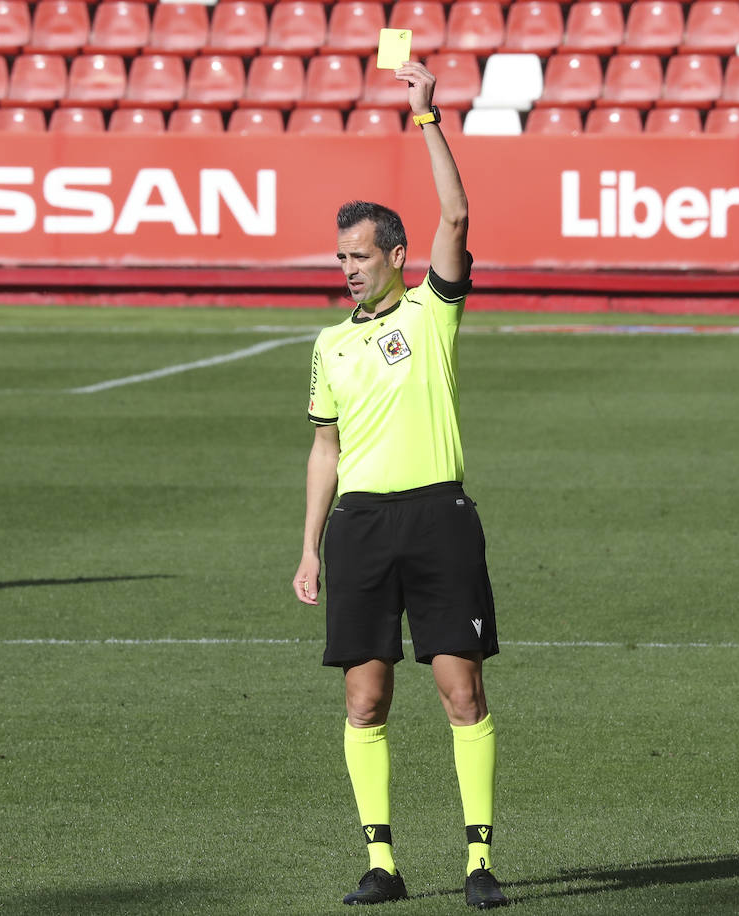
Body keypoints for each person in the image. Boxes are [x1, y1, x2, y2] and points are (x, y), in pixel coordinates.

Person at [292, 61, 508, 910]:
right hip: (360, 528)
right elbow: (323, 449)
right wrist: (309, 545)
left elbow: (457, 212)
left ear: (396, 256)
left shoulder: (431, 313)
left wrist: (426, 121)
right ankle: (382, 862)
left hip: (439, 518)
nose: (346, 268)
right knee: (365, 695)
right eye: (339, 255)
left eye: (359, 255)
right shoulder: (328, 344)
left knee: (461, 688)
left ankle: (479, 861)